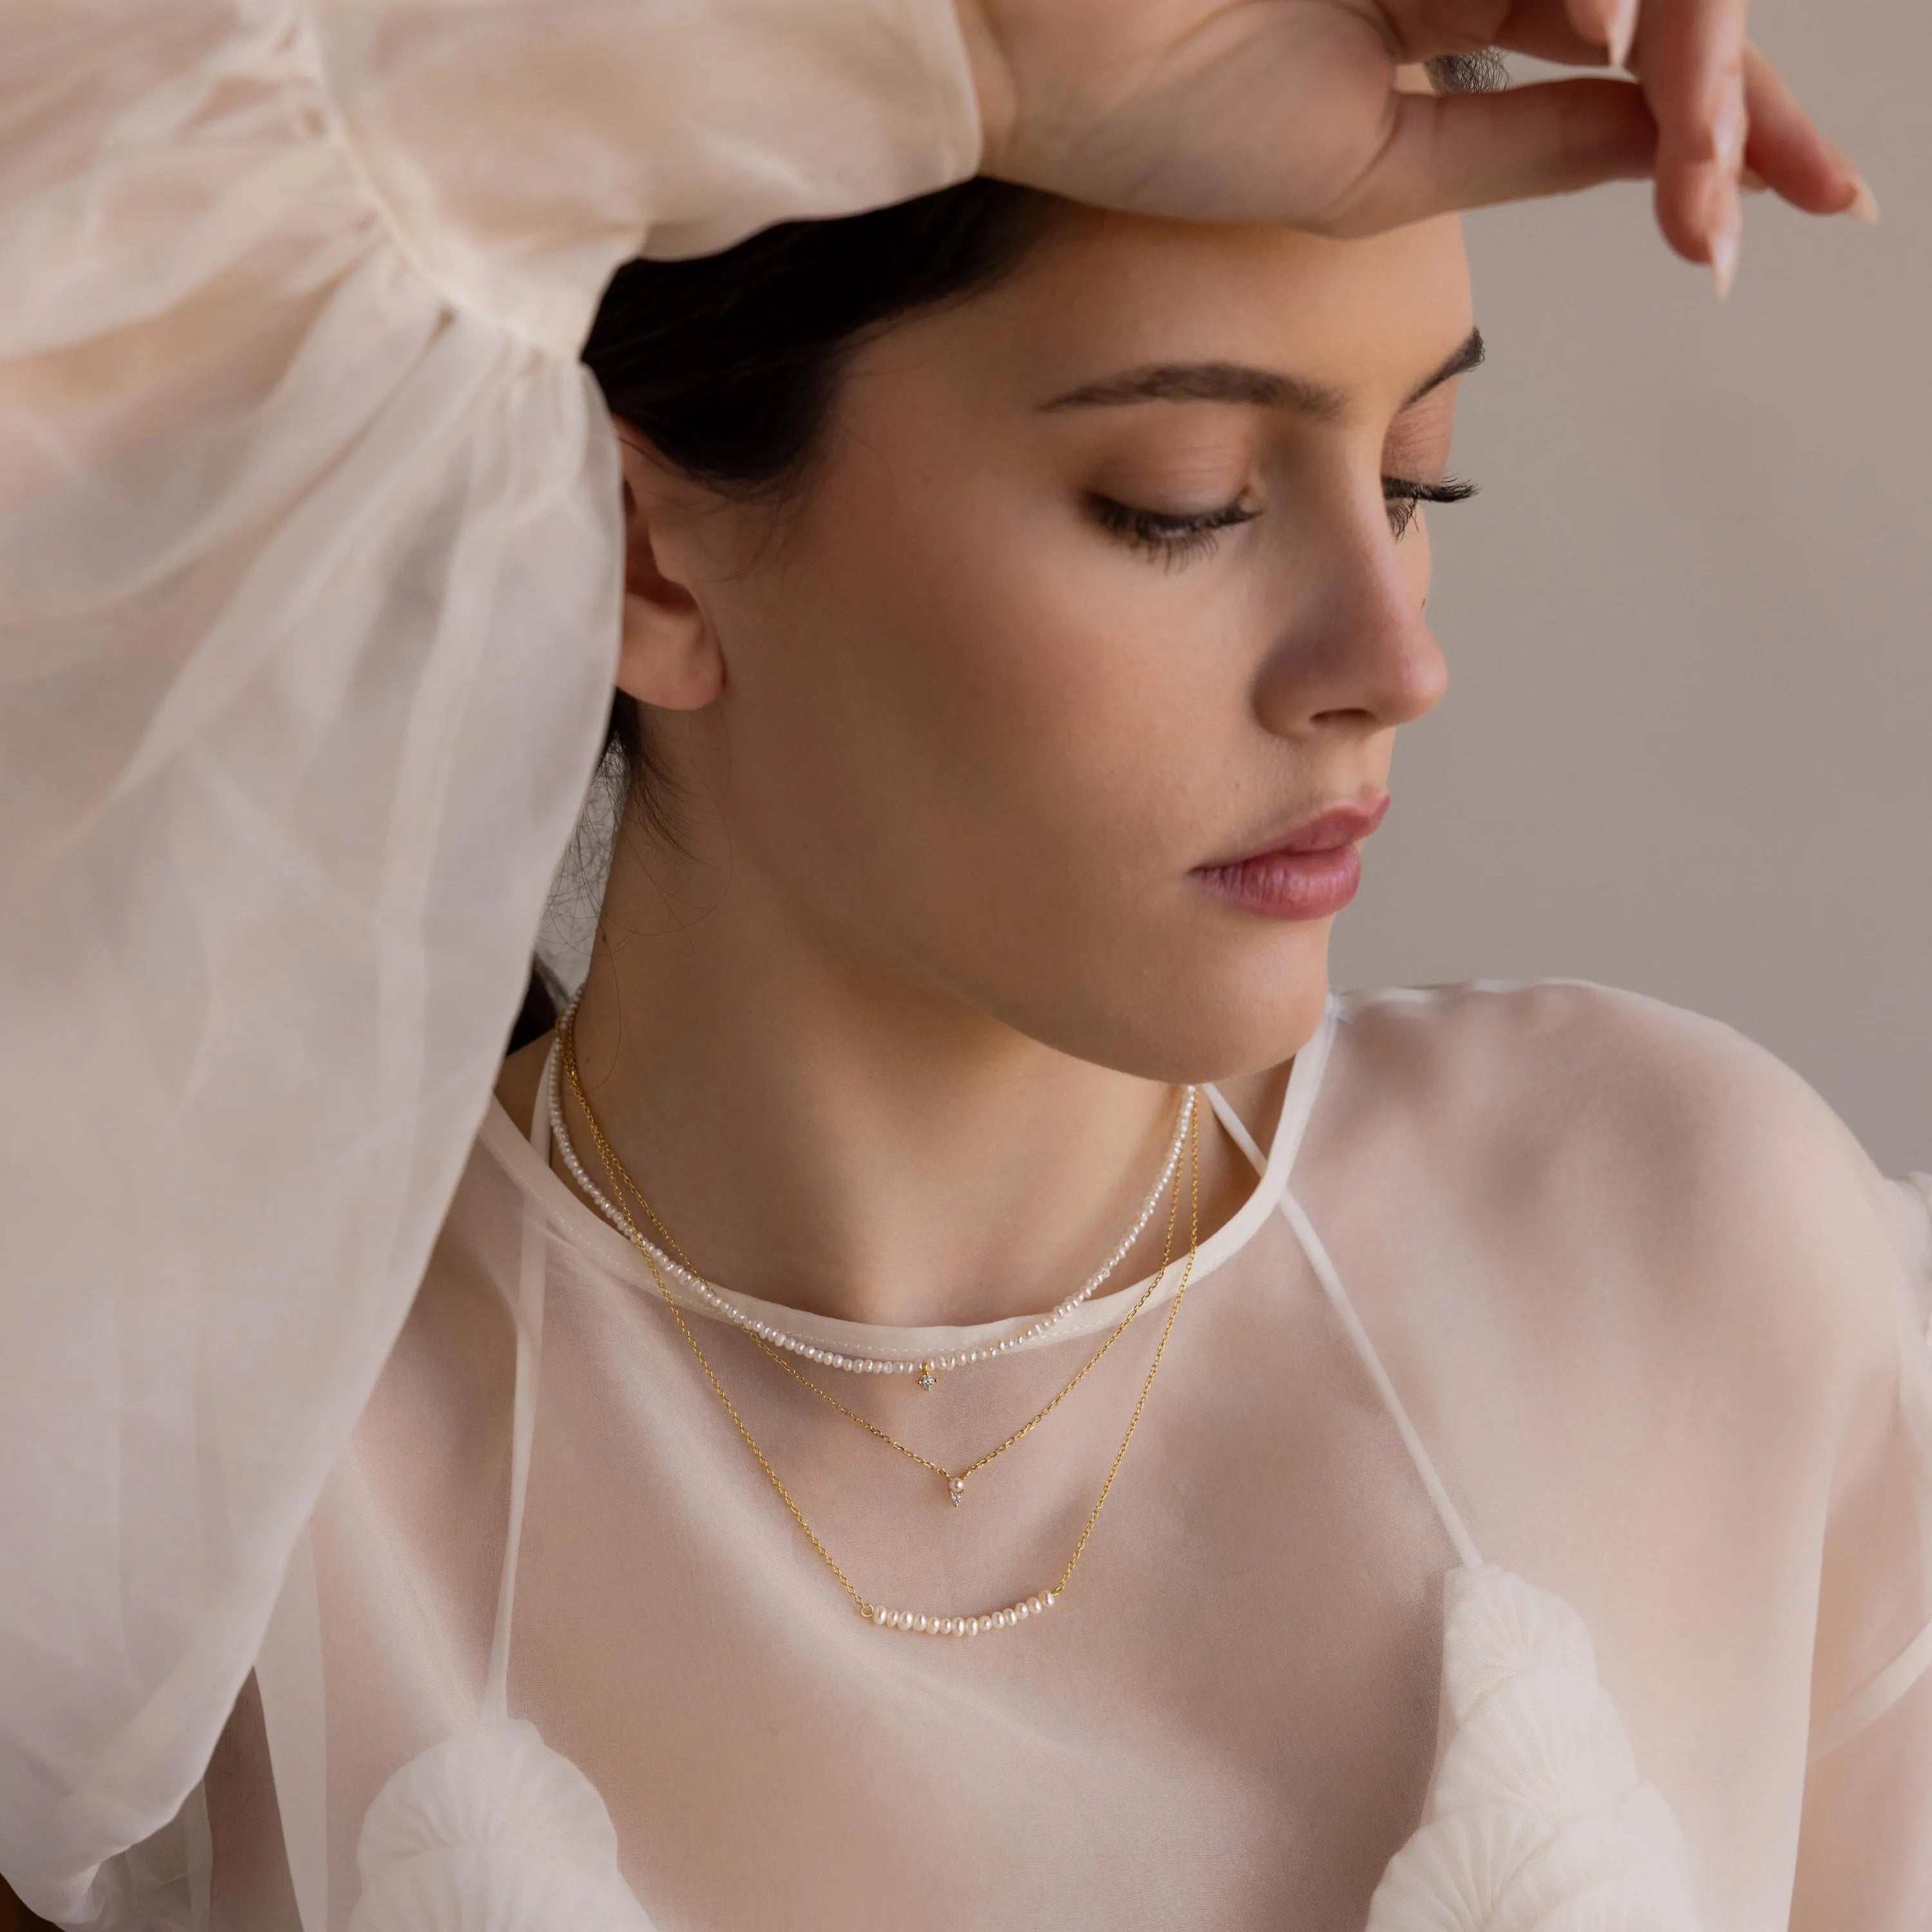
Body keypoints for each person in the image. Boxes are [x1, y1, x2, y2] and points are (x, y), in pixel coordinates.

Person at [1, 0, 1926, 1926]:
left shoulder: (1680, 1252)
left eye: (1422, 477)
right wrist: (951, 50)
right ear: (650, 560)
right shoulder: (204, 1477)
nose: (1393, 659)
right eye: (1182, 502)